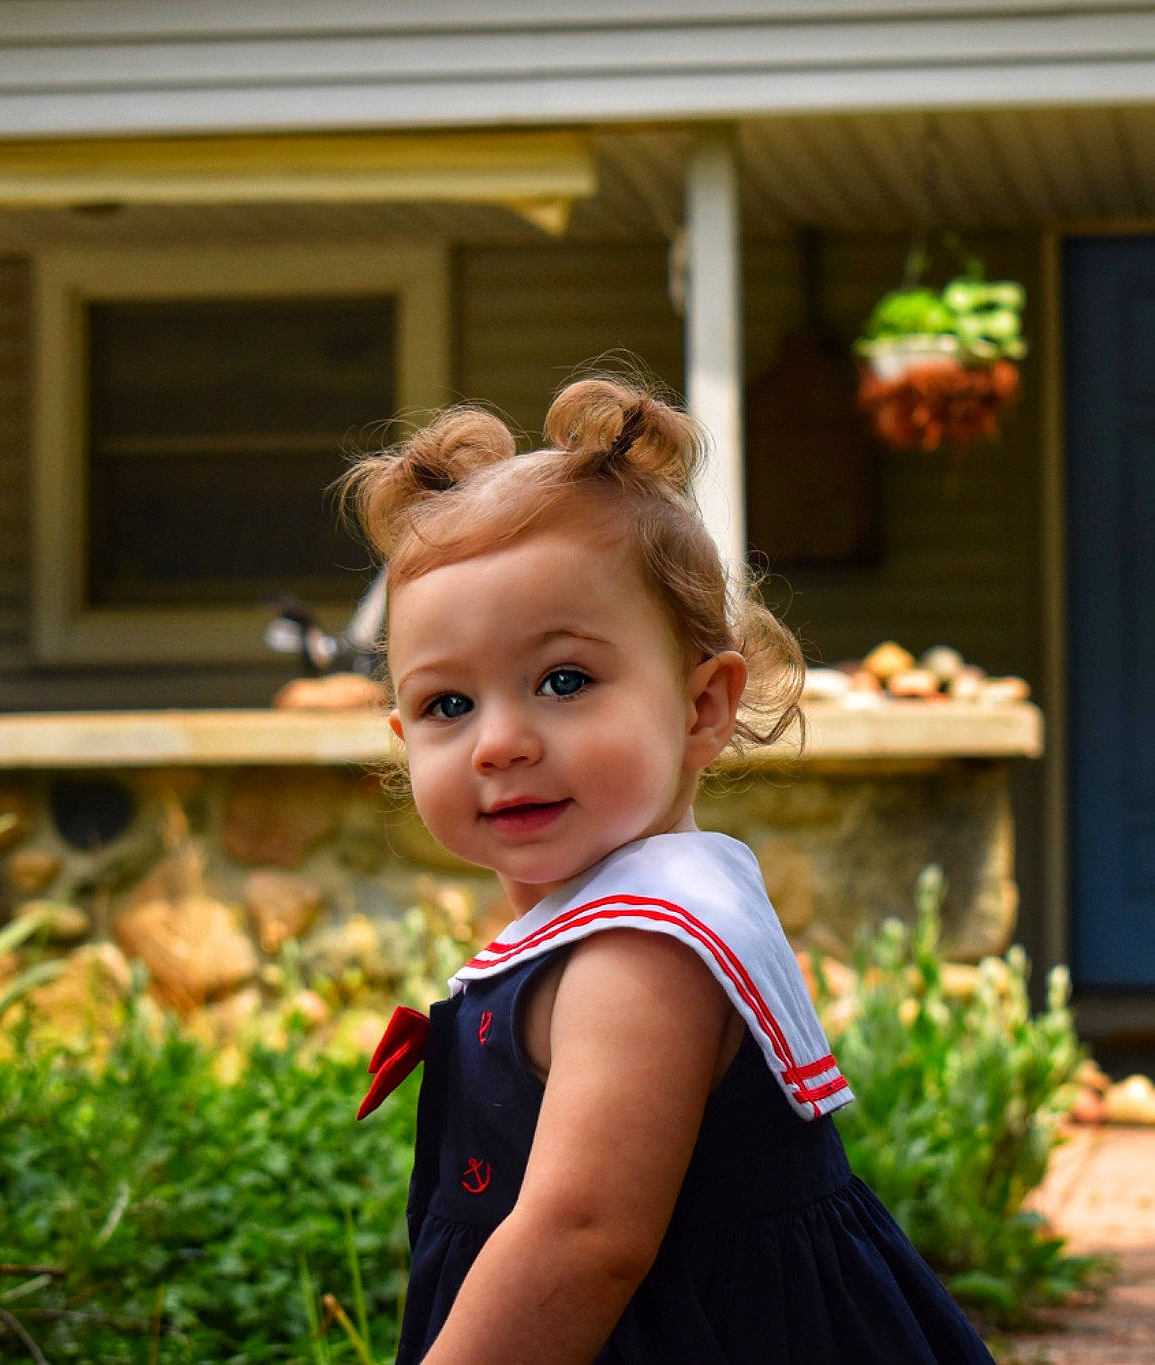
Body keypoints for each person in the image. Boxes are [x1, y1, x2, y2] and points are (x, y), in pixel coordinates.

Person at [345, 375, 997, 1365]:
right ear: (401, 738)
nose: (499, 743)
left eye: (563, 681)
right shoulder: (602, 918)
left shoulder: (643, 950)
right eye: (446, 706)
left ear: (702, 707)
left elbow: (581, 1240)